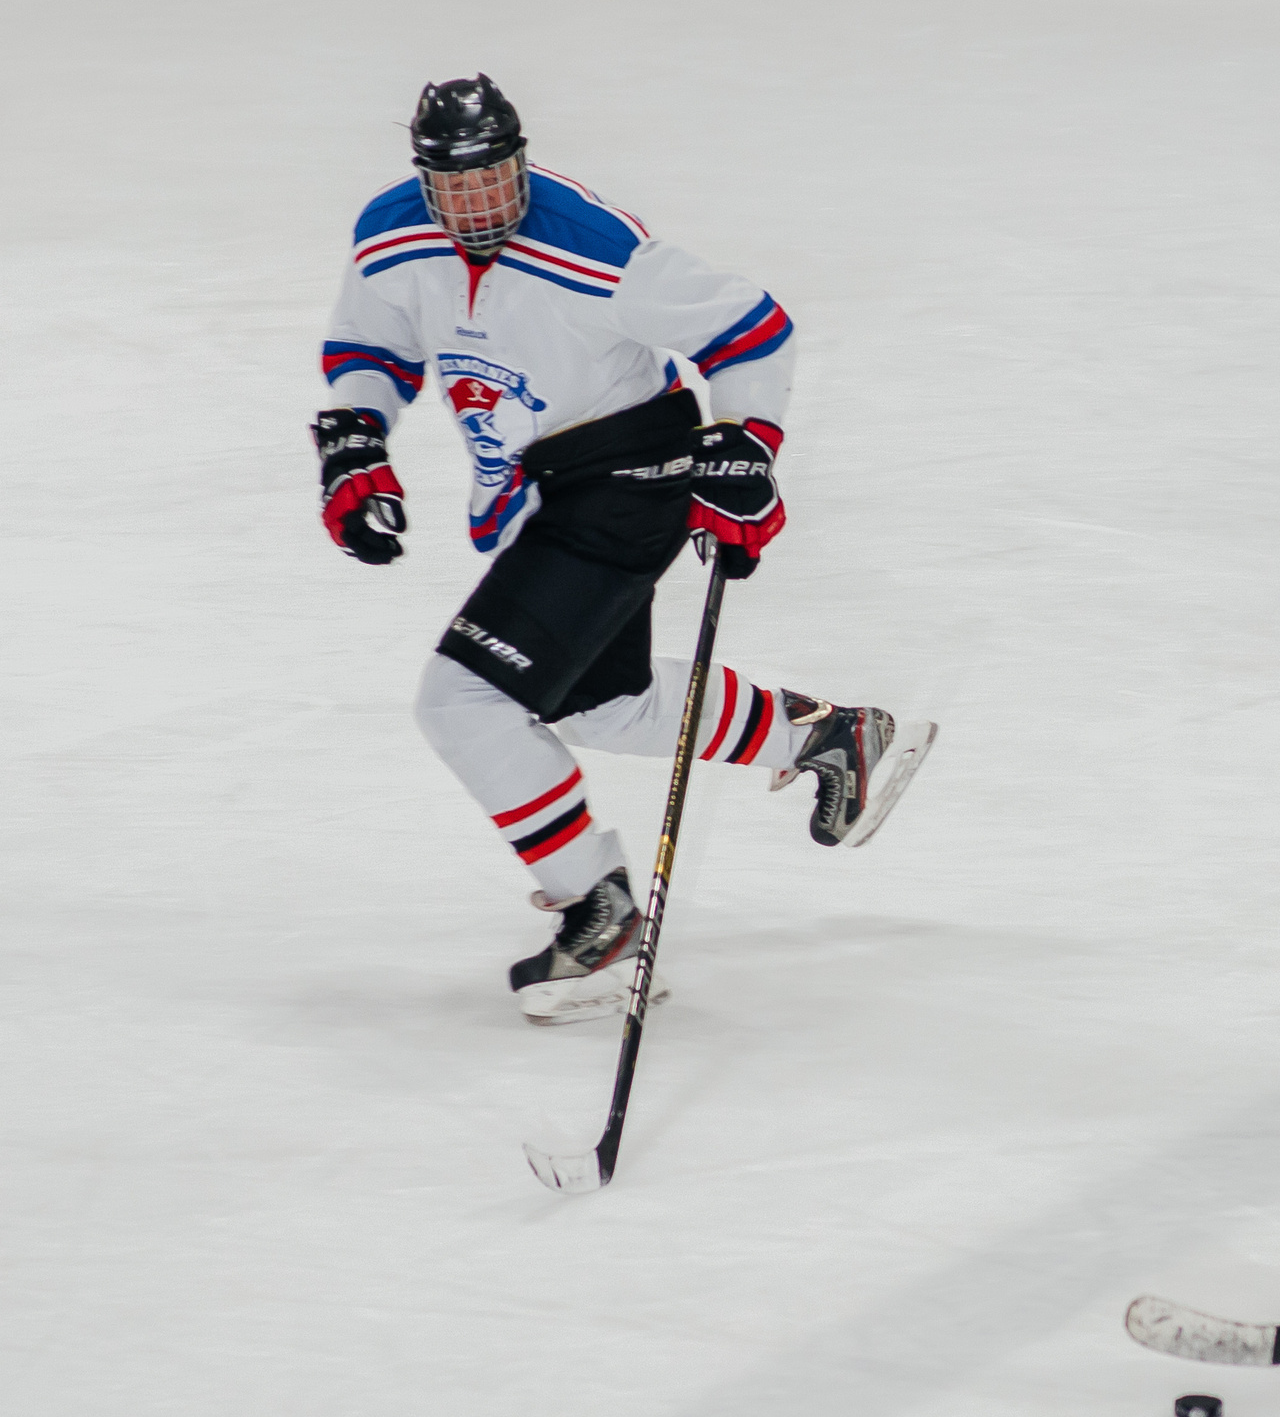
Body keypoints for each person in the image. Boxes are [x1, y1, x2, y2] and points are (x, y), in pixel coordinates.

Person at [313, 76, 932, 1024]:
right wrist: (357, 438)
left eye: (497, 178)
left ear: (521, 159)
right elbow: (375, 340)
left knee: (466, 699)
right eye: (458, 187)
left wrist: (746, 447)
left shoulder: (594, 247)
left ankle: (597, 915)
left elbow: (752, 329)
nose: (481, 204)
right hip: (539, 490)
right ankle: (828, 736)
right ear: (426, 182)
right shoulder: (392, 232)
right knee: (599, 703)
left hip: (623, 479)